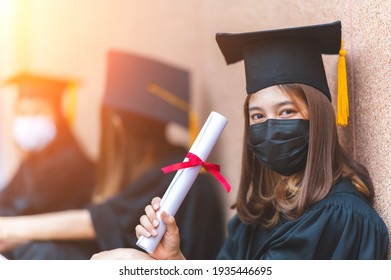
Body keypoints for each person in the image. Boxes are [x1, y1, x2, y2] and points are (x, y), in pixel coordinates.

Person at [92, 21, 389, 260]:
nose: (269, 126)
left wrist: (142, 268)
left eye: (286, 111)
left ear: (319, 118)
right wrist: (173, 260)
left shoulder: (339, 217)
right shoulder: (259, 213)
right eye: (257, 116)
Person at [0, 50, 225, 260]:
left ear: (117, 125)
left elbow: (99, 221)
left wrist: (11, 229)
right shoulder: (163, 167)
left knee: (43, 253)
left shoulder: (172, 172)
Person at [0, 73, 95, 216]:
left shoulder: (69, 162)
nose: (29, 120)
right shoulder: (31, 160)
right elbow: (5, 197)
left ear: (58, 116)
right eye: (22, 112)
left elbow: (28, 211)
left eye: (38, 111)